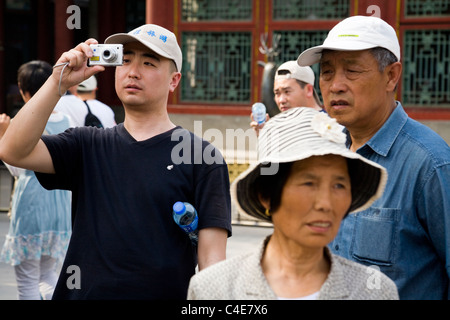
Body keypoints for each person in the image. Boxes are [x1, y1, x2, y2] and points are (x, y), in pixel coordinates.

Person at [0, 24, 232, 300]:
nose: (133, 71)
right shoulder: (86, 144)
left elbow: (212, 262)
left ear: (174, 80)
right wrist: (57, 82)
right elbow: (13, 151)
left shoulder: (201, 157)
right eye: (125, 60)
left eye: (149, 62)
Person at [297, 15, 450, 300]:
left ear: (391, 76)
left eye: (352, 71)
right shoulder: (324, 154)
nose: (335, 85)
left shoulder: (431, 165)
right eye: (327, 72)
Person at [188, 107, 398, 300]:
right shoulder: (214, 290)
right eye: (309, 183)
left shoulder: (375, 292)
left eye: (339, 185)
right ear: (266, 195)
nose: (325, 204)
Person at [0, 60, 72, 300]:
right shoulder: (66, 119)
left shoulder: (23, 122)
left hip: (32, 203)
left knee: (28, 282)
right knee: (48, 275)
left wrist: (3, 136)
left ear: (22, 89)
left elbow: (18, 169)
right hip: (60, 205)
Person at [250, 61, 322, 136]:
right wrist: (265, 136)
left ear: (308, 90)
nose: (281, 100)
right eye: (277, 93)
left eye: (287, 91)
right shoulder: (282, 126)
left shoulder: (326, 127)